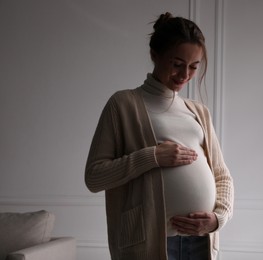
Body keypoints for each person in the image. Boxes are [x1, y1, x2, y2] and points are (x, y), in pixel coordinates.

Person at [85, 12, 234, 260]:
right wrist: (152, 156)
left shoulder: (199, 112)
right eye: (177, 64)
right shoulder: (123, 104)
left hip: (201, 239)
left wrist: (218, 219)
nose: (185, 74)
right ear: (155, 55)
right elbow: (94, 176)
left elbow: (222, 176)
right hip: (150, 241)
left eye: (194, 67)